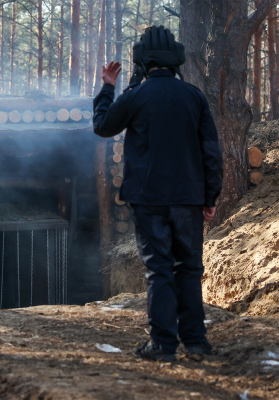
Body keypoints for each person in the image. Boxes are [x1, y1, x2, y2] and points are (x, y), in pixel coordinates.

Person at [92, 26, 224, 362]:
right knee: (190, 269)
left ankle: (163, 346)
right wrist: (210, 197)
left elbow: (103, 126)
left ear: (142, 61)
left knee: (160, 271)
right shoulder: (194, 97)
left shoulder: (137, 96)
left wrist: (108, 88)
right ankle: (195, 342)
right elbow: (211, 151)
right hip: (189, 199)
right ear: (175, 60)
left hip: (149, 200)